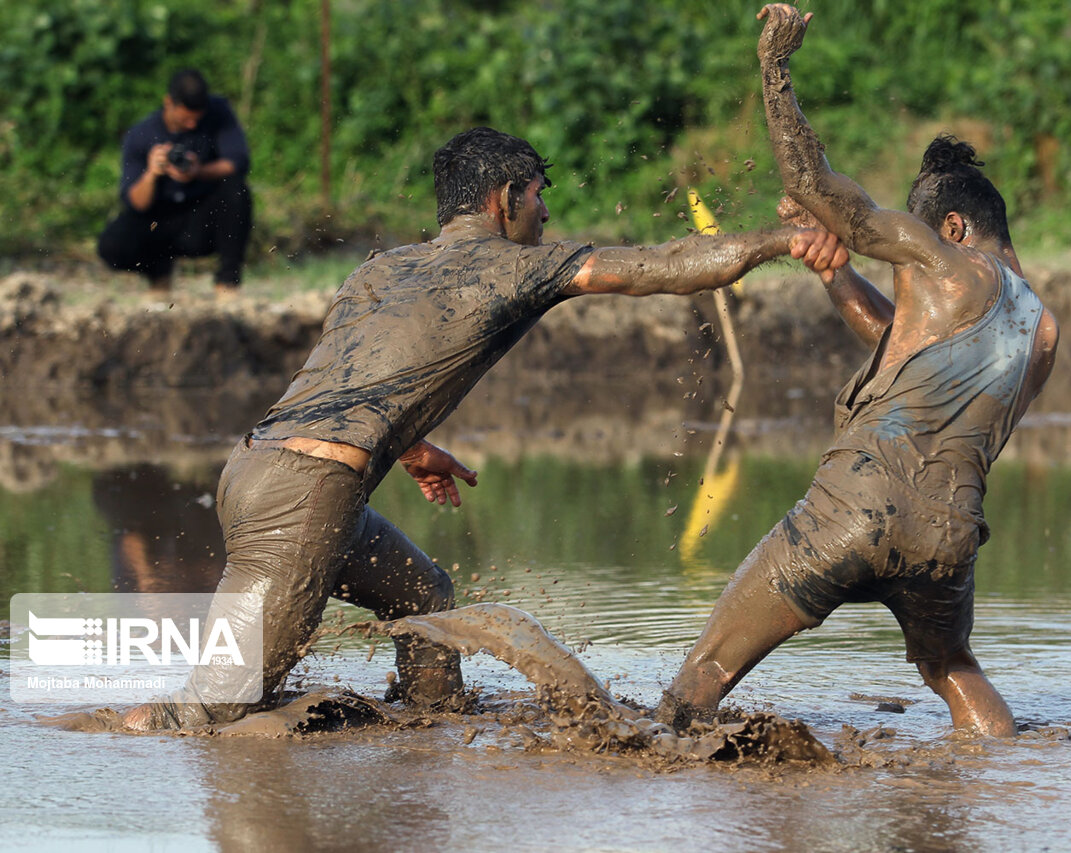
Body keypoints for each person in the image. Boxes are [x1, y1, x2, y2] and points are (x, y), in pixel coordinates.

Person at [121, 126, 847, 730]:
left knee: (426, 599)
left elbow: (346, 377)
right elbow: (665, 264)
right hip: (306, 496)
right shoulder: (512, 266)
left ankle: (427, 736)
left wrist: (410, 446)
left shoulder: (383, 269)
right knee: (212, 711)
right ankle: (87, 768)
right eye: (538, 200)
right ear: (506, 200)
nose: (545, 218)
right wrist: (782, 241)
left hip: (257, 468)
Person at [656, 5, 1059, 737]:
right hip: (947, 531)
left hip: (854, 507)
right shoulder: (1042, 330)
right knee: (949, 668)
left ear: (954, 229)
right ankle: (1010, 775)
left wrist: (774, 73)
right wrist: (836, 273)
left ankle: (651, 788)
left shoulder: (944, 259)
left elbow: (815, 184)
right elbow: (902, 346)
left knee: (708, 667)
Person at [97, 69, 252, 299]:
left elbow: (238, 161)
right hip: (159, 221)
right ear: (168, 103)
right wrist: (152, 173)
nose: (191, 125)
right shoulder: (140, 134)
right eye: (185, 118)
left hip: (200, 220)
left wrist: (199, 171)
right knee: (112, 243)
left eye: (196, 120)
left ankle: (227, 282)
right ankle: (157, 274)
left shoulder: (218, 111)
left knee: (236, 189)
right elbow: (134, 203)